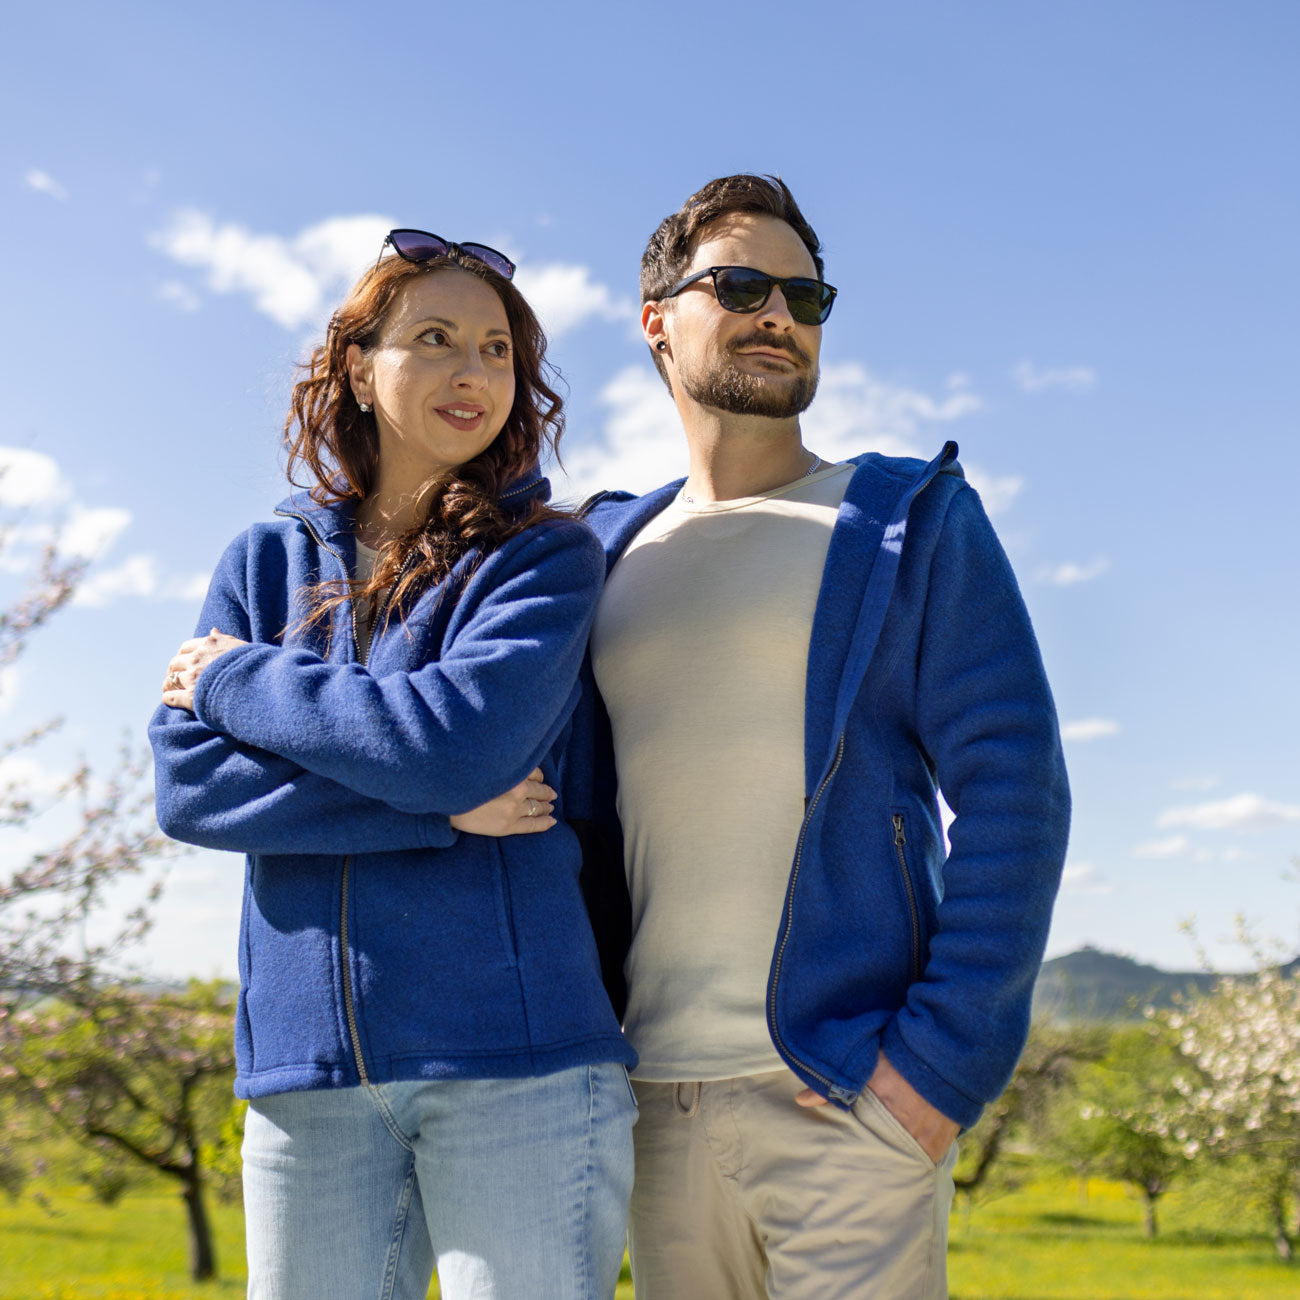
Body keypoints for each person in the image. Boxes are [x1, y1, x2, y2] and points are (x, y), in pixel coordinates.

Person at [565, 176, 1071, 1299]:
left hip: (844, 1098)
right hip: (647, 1106)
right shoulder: (596, 551)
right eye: (740, 284)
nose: (777, 314)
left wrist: (933, 1071)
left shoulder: (905, 521)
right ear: (656, 319)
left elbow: (1015, 794)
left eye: (804, 294)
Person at [149, 230, 637, 1300]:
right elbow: (188, 788)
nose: (473, 371)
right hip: (304, 1074)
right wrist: (436, 817)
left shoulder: (542, 557)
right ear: (360, 366)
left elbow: (452, 741)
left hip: (516, 1067)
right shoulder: (262, 562)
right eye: (434, 338)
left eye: (497, 349)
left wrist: (235, 683)